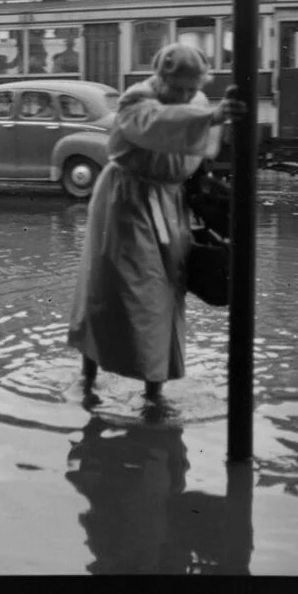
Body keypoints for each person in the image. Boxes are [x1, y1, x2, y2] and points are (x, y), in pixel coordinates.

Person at [67, 42, 246, 402]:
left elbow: (196, 146)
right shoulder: (137, 100)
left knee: (164, 294)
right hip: (125, 204)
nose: (184, 95)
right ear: (160, 78)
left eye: (191, 88)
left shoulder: (194, 102)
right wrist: (212, 117)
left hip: (168, 202)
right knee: (109, 288)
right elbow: (156, 124)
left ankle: (154, 391)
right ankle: (88, 378)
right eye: (177, 87)